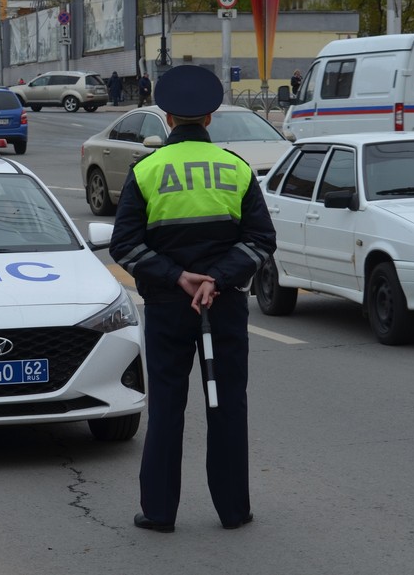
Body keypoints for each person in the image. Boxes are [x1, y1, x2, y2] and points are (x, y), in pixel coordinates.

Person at [109, 64, 276, 533]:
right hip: (222, 306)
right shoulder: (235, 168)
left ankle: (160, 512)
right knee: (226, 405)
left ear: (166, 117)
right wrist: (215, 280)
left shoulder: (147, 170)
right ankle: (233, 510)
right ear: (209, 117)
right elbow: (261, 240)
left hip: (167, 307)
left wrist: (179, 276)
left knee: (165, 407)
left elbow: (125, 245)